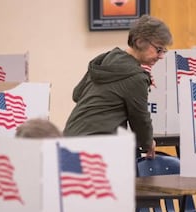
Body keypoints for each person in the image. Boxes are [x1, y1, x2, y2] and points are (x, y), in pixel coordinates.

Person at [63, 14, 173, 159]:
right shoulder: (135, 76)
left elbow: (77, 94)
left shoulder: (104, 59)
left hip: (69, 138)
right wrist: (148, 143)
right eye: (159, 49)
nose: (161, 56)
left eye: (164, 51)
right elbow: (140, 119)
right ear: (140, 42)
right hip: (97, 147)